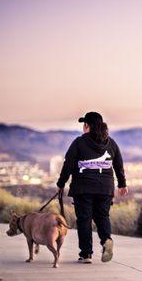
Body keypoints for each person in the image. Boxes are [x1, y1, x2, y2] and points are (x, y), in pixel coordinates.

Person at [56, 111, 128, 264]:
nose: (83, 127)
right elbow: (119, 165)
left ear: (87, 125)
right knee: (102, 216)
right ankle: (106, 240)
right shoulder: (111, 143)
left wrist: (61, 184)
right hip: (105, 188)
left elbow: (68, 164)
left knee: (84, 220)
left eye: (84, 124)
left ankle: (86, 254)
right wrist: (122, 184)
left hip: (83, 188)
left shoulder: (79, 142)